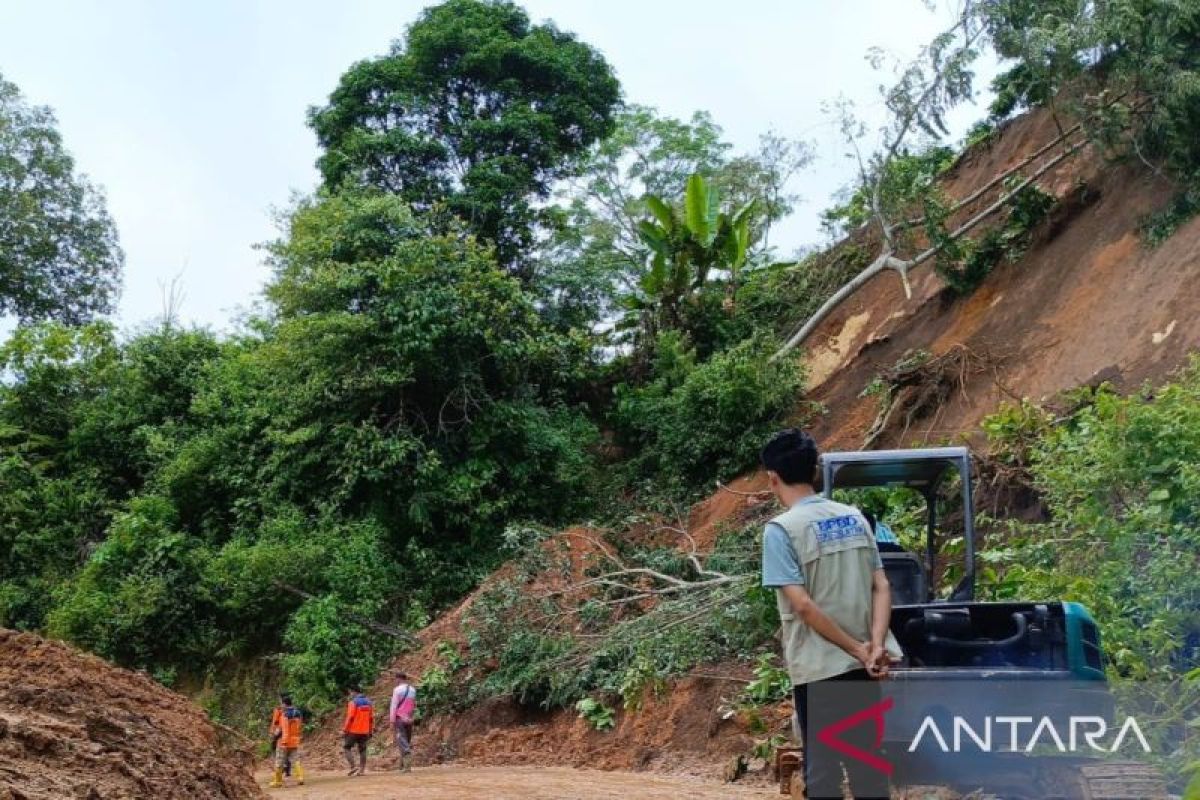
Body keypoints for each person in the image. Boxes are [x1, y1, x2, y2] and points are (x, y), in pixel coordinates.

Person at [759, 429, 903, 800]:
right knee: (867, 763)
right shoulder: (854, 517)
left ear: (772, 477)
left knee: (822, 772)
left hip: (822, 668)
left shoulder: (781, 530)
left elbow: (803, 606)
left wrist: (855, 649)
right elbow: (881, 586)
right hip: (865, 669)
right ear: (815, 470)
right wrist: (873, 647)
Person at [268, 694, 305, 788]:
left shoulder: (284, 715)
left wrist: (282, 741)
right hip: (295, 740)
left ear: (284, 704)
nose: (281, 705)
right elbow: (299, 727)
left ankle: (278, 781)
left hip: (284, 742)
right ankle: (300, 777)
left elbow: (285, 730)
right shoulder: (298, 713)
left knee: (279, 761)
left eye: (282, 704)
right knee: (295, 760)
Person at [388, 671, 417, 772]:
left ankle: (407, 766)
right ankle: (402, 765)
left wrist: (392, 721)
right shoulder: (413, 690)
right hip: (409, 718)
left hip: (399, 718)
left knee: (402, 740)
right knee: (406, 740)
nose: (395, 681)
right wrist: (412, 717)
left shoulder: (397, 690)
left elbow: (394, 706)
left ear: (399, 679)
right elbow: (413, 705)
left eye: (396, 679)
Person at [341, 686, 374, 776]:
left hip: (353, 730)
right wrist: (370, 731)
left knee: (347, 747)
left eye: (351, 692)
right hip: (365, 731)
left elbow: (350, 717)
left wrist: (345, 730)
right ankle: (362, 770)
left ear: (354, 692)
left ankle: (353, 766)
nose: (350, 695)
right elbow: (371, 718)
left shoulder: (353, 702)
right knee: (363, 750)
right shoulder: (369, 702)